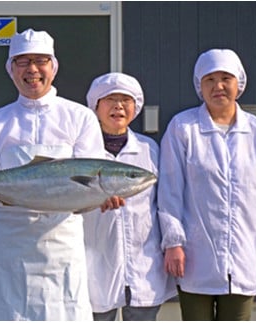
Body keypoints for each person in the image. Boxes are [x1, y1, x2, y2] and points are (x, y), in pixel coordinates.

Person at [0, 28, 124, 321]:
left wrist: (102, 198)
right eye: (22, 61)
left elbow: (93, 177)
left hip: (62, 241)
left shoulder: (79, 117)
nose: (32, 70)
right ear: (11, 69)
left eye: (41, 61)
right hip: (12, 244)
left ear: (53, 67)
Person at [157, 48, 256, 320]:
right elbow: (170, 190)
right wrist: (173, 242)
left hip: (244, 253)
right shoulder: (183, 128)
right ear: (199, 85)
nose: (217, 86)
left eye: (225, 79)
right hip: (196, 257)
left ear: (238, 84)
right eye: (209, 79)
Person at [83, 72, 177, 321]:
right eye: (110, 99)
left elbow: (165, 203)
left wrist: (172, 243)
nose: (118, 106)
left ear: (135, 107)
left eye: (125, 100)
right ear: (96, 106)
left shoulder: (149, 149)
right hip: (96, 260)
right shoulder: (82, 152)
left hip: (144, 261)